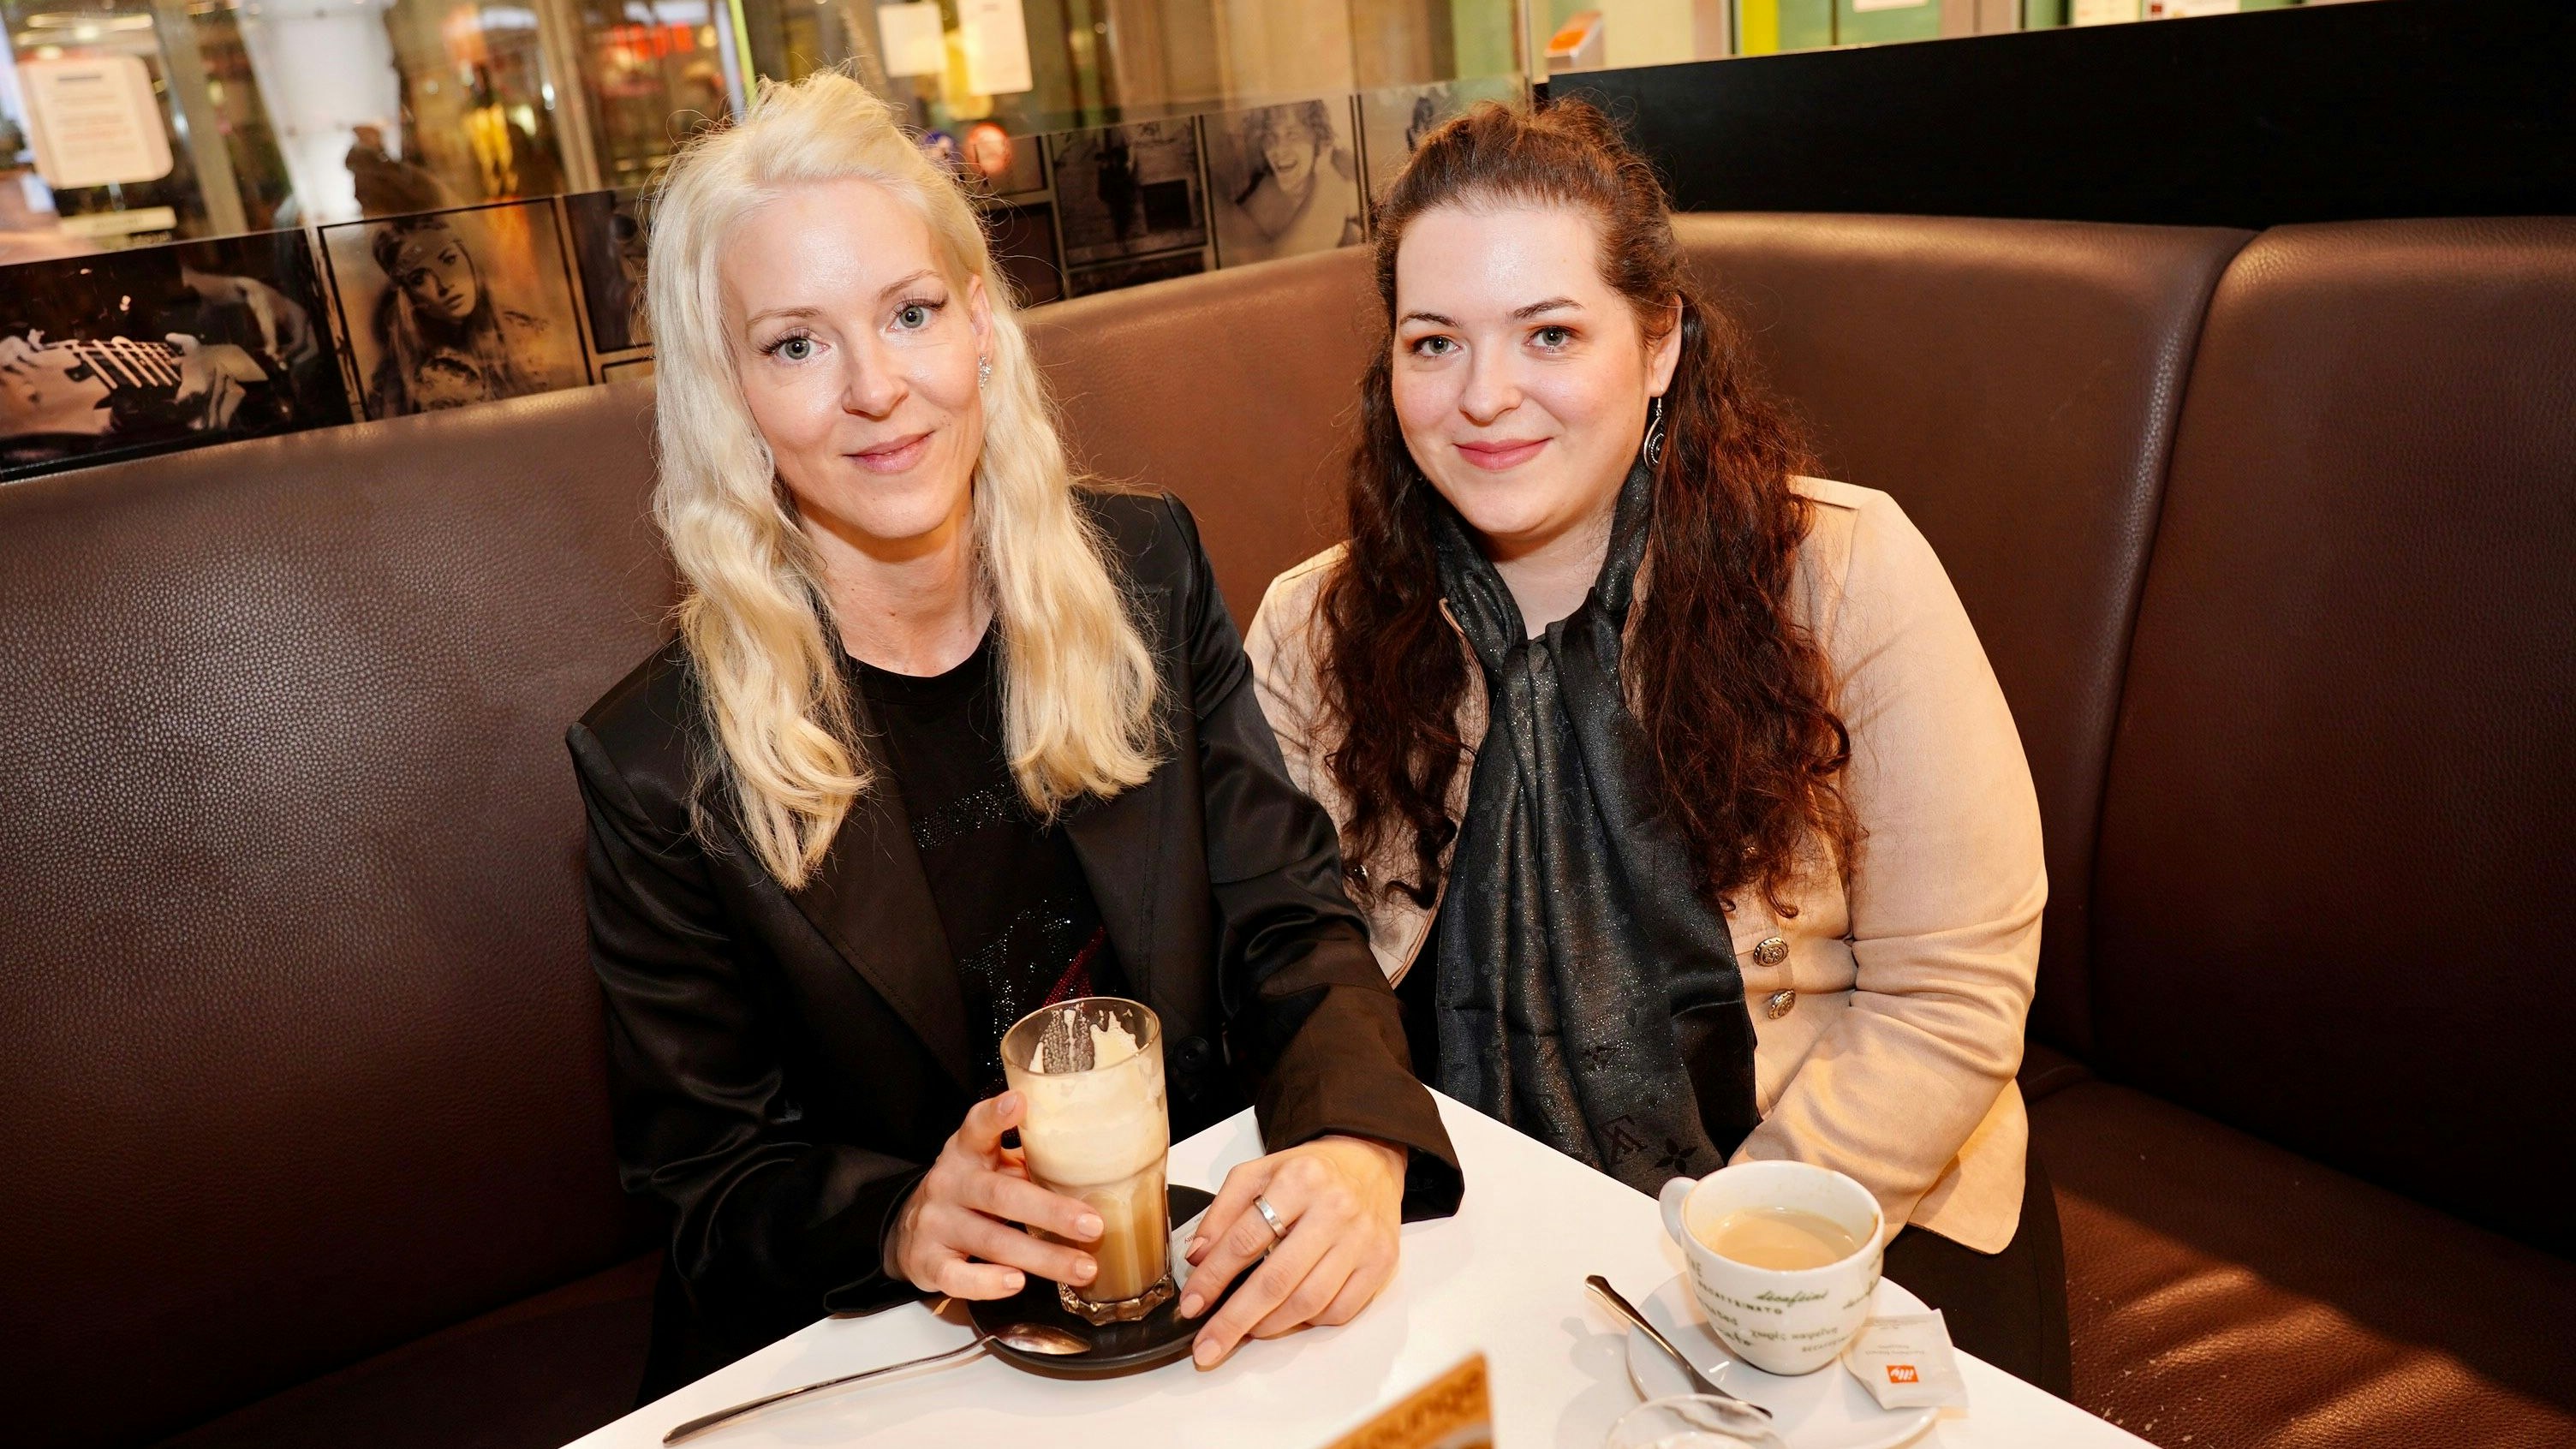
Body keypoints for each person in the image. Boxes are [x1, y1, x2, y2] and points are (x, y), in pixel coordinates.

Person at [568, 69, 1459, 1400]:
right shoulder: (656, 763)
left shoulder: (1144, 571)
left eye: (911, 314)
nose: (877, 388)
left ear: (979, 324)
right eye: (796, 344)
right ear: (729, 391)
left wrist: (1350, 1141)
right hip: (894, 1358)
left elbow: (1289, 919)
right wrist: (897, 1216)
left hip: (1188, 1290)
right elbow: (711, 1182)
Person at [1244, 100, 2071, 1393]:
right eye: (1434, 342)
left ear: (1660, 341)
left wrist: (1724, 1261)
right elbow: (1280, 960)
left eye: (1551, 333)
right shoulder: (1312, 626)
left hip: (1842, 1228)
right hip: (1476, 1233)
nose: (1484, 395)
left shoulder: (1845, 573)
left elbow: (1952, 1000)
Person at [361, 212, 574, 416]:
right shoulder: (397, 383)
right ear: (408, 296)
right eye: (419, 279)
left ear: (469, 258)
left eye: (449, 260)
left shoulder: (534, 337)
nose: (445, 284)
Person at [1215, 101, 1360, 265]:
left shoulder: (1343, 188)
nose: (1279, 149)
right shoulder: (1263, 196)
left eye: (1293, 135)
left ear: (1319, 143)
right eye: (1270, 137)